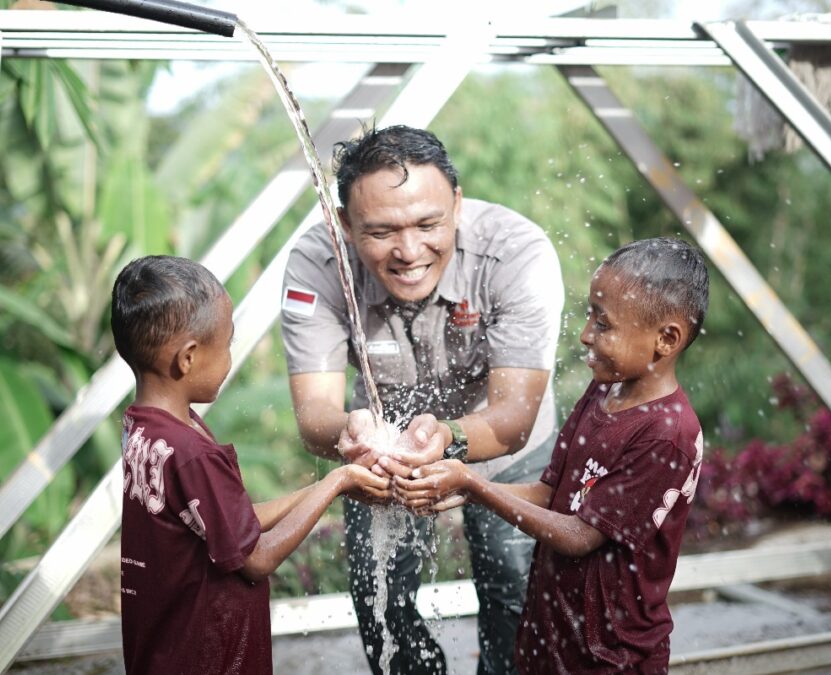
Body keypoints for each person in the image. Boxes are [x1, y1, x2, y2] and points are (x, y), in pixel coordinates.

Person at [281, 125, 564, 674]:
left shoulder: (515, 253)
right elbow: (314, 415)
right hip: (381, 453)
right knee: (378, 592)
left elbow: (513, 419)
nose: (409, 252)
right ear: (344, 224)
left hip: (504, 449)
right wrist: (351, 432)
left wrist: (451, 439)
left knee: (512, 579)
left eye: (429, 224)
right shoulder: (317, 265)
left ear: (456, 204)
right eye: (382, 232)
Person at [392, 237, 709, 674]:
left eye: (604, 324)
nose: (585, 334)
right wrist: (459, 492)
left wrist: (474, 485)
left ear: (666, 338)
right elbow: (549, 492)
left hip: (612, 654)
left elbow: (580, 536)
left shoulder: (666, 433)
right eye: (589, 316)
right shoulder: (604, 391)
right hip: (551, 632)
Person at [112, 255, 389, 675]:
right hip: (210, 661)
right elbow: (255, 558)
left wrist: (334, 485)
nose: (228, 359)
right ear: (187, 358)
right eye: (225, 346)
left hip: (165, 651)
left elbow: (233, 524)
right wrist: (337, 481)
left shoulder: (147, 430)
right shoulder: (192, 452)